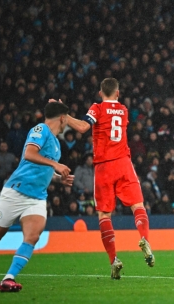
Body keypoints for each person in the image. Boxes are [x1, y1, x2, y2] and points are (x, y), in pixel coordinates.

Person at [0, 102, 73, 291]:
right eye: (67, 118)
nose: (68, 123)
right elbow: (29, 154)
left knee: (32, 236)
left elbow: (42, 170)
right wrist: (55, 165)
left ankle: (8, 279)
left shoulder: (56, 143)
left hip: (37, 197)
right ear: (62, 118)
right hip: (16, 191)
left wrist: (58, 179)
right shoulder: (40, 129)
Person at [50, 77, 154, 280]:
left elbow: (82, 127)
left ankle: (114, 260)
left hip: (105, 166)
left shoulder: (97, 108)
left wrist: (64, 114)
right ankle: (144, 238)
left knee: (105, 215)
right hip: (124, 163)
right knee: (138, 205)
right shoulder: (123, 110)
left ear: (100, 93)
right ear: (118, 93)